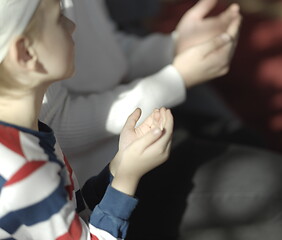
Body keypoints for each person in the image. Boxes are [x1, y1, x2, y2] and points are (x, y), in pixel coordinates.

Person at [0, 0, 174, 239]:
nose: (72, 26)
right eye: (58, 19)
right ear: (26, 53)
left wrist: (121, 163)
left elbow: (73, 212)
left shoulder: (27, 136)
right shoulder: (26, 169)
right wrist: (128, 177)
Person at [40, 0, 242, 185]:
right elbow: (56, 126)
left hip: (138, 138)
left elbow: (108, 53)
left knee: (243, 138)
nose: (71, 26)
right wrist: (178, 78)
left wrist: (174, 46)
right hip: (98, 182)